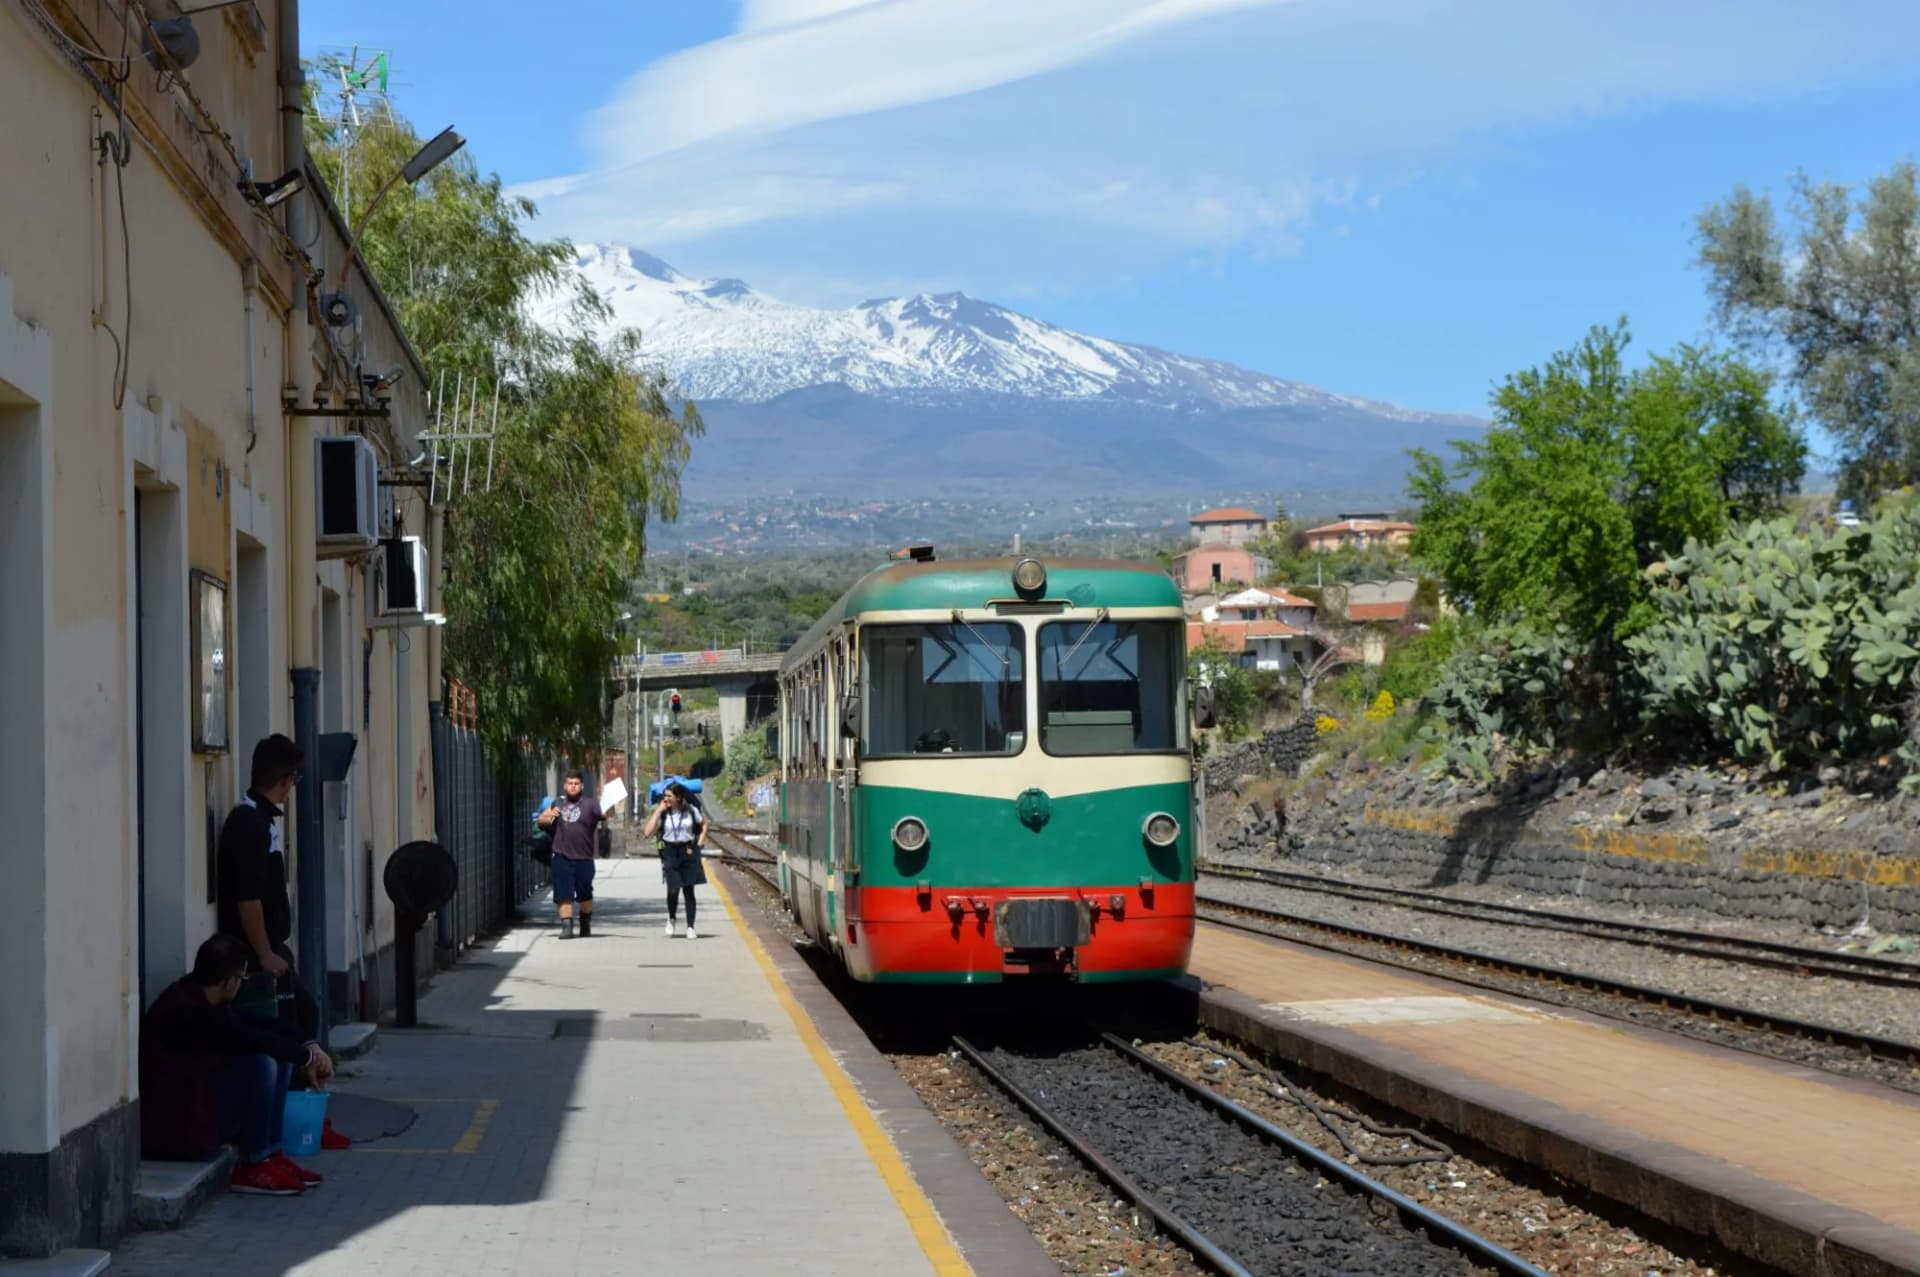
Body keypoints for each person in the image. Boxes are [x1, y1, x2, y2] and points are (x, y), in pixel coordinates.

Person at [216, 734, 349, 1150]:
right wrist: (265, 954)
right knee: (286, 1033)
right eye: (293, 779)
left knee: (304, 1017)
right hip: (256, 962)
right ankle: (282, 1127)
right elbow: (248, 899)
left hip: (269, 952)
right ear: (284, 779)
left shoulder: (261, 820)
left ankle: (304, 1109)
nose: (293, 788)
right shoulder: (249, 824)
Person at [141, 935, 335, 1196]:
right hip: (180, 1127)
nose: (241, 985)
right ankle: (254, 1162)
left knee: (276, 1055)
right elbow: (248, 1037)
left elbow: (260, 1024)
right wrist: (305, 1058)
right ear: (230, 982)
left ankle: (271, 1153)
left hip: (198, 1106)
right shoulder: (185, 1014)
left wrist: (309, 1047)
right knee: (261, 1065)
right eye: (242, 979)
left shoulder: (203, 998)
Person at [537, 769, 605, 938]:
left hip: (584, 857)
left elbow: (603, 814)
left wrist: (608, 808)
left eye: (576, 784)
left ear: (581, 786)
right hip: (561, 856)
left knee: (585, 894)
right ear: (565, 786)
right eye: (570, 783)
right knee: (563, 893)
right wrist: (551, 816)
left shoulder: (591, 804)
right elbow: (541, 820)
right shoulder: (557, 804)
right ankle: (567, 927)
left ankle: (585, 924)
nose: (573, 787)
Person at [643, 782, 708, 939]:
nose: (665, 799)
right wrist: (658, 811)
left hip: (688, 850)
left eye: (669, 796)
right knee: (673, 889)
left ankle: (690, 927)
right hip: (670, 851)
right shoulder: (664, 813)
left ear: (678, 797)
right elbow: (647, 832)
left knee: (688, 890)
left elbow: (704, 825)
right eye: (664, 796)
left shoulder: (691, 810)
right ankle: (671, 918)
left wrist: (698, 845)